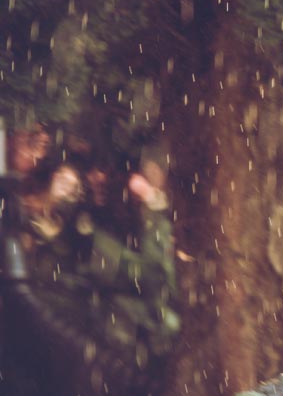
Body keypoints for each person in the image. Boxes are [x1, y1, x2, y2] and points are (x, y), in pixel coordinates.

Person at [0, 123, 179, 396]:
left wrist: (154, 209)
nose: (97, 178)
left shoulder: (86, 239)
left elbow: (147, 281)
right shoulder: (52, 228)